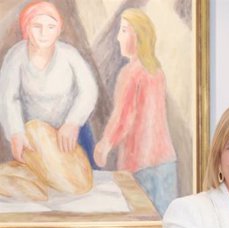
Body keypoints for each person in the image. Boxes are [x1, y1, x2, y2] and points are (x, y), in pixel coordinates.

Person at [94, 8, 178, 216]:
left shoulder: (130, 73)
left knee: (141, 226)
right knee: (165, 226)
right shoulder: (156, 72)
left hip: (139, 164)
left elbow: (123, 117)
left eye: (123, 31)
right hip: (165, 163)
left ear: (138, 36)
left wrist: (104, 145)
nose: (118, 37)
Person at [0, 1, 98, 165]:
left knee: (83, 184)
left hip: (71, 133)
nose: (44, 33)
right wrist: (16, 132)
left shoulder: (69, 55)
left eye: (51, 27)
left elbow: (88, 90)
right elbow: (7, 97)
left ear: (58, 30)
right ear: (26, 28)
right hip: (33, 137)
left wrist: (72, 122)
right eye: (37, 26)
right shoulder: (16, 56)